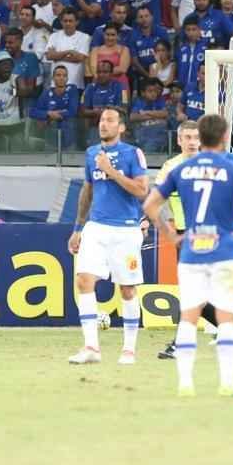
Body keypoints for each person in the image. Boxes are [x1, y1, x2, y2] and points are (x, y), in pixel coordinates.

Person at [143, 113, 233, 399]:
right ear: (225, 136)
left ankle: (185, 383)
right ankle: (227, 382)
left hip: (192, 249)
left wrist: (170, 234)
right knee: (226, 317)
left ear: (200, 137)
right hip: (225, 249)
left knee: (189, 315)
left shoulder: (181, 169)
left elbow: (150, 205)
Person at [67, 108, 150, 366]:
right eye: (102, 120)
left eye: (110, 120)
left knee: (127, 289)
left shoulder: (132, 153)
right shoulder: (92, 153)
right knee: (84, 280)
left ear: (121, 127)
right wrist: (78, 228)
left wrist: (111, 171)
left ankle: (129, 349)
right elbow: (88, 190)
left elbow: (142, 190)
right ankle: (91, 347)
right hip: (96, 227)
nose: (104, 124)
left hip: (126, 229)